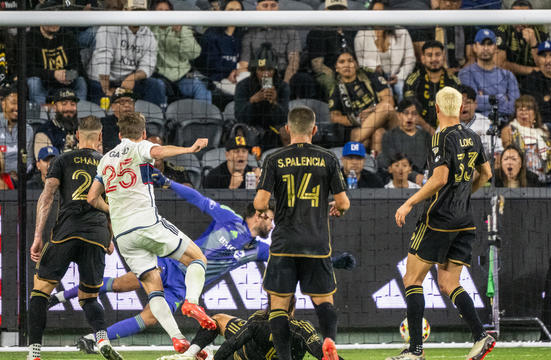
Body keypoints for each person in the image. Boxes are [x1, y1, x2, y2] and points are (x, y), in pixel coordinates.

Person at [63, 175, 274, 353]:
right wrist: (167, 182)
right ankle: (61, 295)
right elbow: (197, 198)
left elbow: (284, 254)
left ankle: (93, 339)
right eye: (270, 220)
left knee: (149, 319)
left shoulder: (258, 249)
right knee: (121, 285)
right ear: (259, 215)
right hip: (171, 264)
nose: (272, 226)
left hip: (183, 288)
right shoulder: (230, 219)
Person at [87, 112, 215, 353]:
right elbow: (157, 152)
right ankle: (192, 303)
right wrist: (189, 149)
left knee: (152, 287)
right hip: (147, 223)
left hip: (123, 236)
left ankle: (177, 338)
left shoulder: (104, 160)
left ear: (120, 134)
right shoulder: (140, 147)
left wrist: (113, 210)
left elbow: (91, 197)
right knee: (197, 258)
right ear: (143, 134)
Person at [391, 86, 494, 360]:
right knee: (448, 283)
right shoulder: (472, 136)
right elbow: (486, 173)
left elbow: (439, 179)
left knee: (412, 279)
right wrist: (464, 194)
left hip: (438, 219)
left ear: (436, 109)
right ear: (461, 109)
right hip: (464, 220)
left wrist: (409, 202)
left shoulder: (440, 137)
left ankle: (415, 351)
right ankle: (480, 336)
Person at [253, 106, 350, 360]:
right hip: (317, 242)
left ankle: (284, 358)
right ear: (314, 130)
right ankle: (328, 341)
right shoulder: (328, 158)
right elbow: (344, 204)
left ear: (287, 130)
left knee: (279, 307)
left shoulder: (274, 159)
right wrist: (336, 208)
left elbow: (260, 203)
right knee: (324, 302)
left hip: (285, 243)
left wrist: (264, 209)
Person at [28, 115, 122, 360]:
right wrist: (109, 237)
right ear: (100, 137)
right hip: (97, 234)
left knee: (40, 291)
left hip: (67, 231)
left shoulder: (62, 159)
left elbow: (47, 198)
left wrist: (38, 236)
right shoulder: (107, 163)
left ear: (77, 136)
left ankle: (34, 353)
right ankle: (101, 339)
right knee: (89, 297)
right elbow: (113, 203)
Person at [157, 296, 349, 360]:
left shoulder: (258, 320)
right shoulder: (302, 329)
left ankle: (190, 354)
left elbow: (231, 344)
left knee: (217, 320)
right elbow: (321, 353)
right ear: (293, 308)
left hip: (243, 354)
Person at [87, 1, 166, 106]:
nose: (137, 15)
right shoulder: (108, 28)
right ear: (125, 10)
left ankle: (154, 120)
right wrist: (106, 90)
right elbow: (104, 60)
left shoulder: (149, 35)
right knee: (105, 109)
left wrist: (132, 78)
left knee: (157, 85)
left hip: (127, 82)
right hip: (101, 80)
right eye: (134, 11)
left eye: (141, 12)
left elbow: (148, 65)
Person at [329, 49, 397, 153]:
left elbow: (389, 100)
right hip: (358, 125)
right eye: (342, 62)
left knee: (386, 107)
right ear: (336, 68)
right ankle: (376, 167)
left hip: (385, 120)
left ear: (356, 63)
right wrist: (356, 119)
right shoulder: (336, 89)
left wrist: (372, 112)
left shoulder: (370, 75)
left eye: (350, 61)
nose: (347, 65)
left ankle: (353, 147)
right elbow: (334, 117)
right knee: (378, 133)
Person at [500, 95, 551, 186]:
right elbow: (508, 155)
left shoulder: (543, 132)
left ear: (535, 113)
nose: (524, 113)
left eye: (528, 109)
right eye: (520, 110)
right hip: (523, 178)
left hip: (544, 178)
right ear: (516, 113)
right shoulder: (509, 130)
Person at [151, 0, 212, 103]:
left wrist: (179, 34)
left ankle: (205, 119)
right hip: (158, 77)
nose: (164, 14)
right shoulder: (149, 29)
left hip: (181, 78)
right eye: (160, 10)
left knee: (200, 88)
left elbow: (193, 53)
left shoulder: (182, 28)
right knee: (158, 87)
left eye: (167, 10)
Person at [354, 0, 415, 101]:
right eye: (374, 12)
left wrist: (400, 76)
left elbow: (410, 59)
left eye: (380, 12)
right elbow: (361, 61)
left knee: (401, 89)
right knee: (385, 94)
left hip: (397, 76)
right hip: (374, 77)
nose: (377, 16)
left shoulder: (402, 33)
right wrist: (374, 68)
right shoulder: (361, 35)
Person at [234, 43, 290, 150]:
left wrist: (274, 104)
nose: (265, 74)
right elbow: (240, 117)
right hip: (251, 126)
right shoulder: (243, 85)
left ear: (275, 70)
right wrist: (252, 101)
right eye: (261, 69)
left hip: (274, 127)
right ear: (255, 70)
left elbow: (283, 118)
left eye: (269, 70)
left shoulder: (282, 86)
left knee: (287, 131)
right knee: (239, 130)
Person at [458, 29, 520, 122]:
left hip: (505, 126)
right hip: (477, 125)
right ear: (474, 47)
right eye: (482, 44)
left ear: (495, 48)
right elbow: (472, 104)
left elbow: (515, 108)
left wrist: (485, 99)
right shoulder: (465, 74)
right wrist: (501, 99)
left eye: (489, 44)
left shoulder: (508, 75)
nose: (486, 48)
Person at [238, 0, 301, 85]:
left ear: (278, 7)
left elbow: (294, 61)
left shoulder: (289, 30)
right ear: (257, 7)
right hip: (258, 75)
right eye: (265, 6)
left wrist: (285, 85)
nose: (269, 9)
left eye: (273, 5)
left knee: (302, 79)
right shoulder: (250, 32)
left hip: (283, 74)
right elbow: (244, 64)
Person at [403, 40, 460, 133]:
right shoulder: (412, 82)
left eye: (438, 55)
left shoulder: (454, 82)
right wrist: (433, 132)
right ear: (423, 58)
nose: (434, 59)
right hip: (420, 129)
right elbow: (412, 112)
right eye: (429, 55)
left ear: (444, 57)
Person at [195, 0, 243, 108]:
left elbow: (246, 61)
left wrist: (237, 70)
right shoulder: (211, 34)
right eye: (230, 10)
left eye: (238, 10)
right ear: (223, 11)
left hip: (240, 74)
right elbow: (212, 64)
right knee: (244, 91)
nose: (234, 13)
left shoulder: (242, 35)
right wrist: (234, 69)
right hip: (218, 79)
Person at [305, 0, 356, 100]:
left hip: (351, 69)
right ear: (326, 10)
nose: (337, 13)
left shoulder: (352, 31)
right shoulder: (318, 32)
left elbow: (357, 59)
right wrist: (339, 76)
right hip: (329, 72)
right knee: (331, 82)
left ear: (346, 10)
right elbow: (317, 65)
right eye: (333, 9)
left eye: (340, 9)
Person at [26, 24, 87, 104]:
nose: (54, 23)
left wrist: (69, 75)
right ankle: (41, 114)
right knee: (34, 82)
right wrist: (54, 74)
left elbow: (78, 66)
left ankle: (80, 114)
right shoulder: (30, 38)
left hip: (65, 82)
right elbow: (28, 70)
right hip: (43, 82)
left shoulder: (68, 36)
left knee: (80, 81)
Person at [408, 0, 474, 72]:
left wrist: (461, 72)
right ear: (438, 1)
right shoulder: (426, 23)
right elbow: (424, 58)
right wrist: (445, 72)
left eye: (454, 1)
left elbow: (471, 59)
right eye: (444, 0)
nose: (448, 4)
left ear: (460, 3)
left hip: (460, 72)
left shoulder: (467, 23)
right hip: (433, 72)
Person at [377, 99, 429, 185]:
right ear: (398, 115)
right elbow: (387, 163)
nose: (409, 117)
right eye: (406, 113)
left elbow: (430, 163)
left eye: (414, 113)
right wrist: (413, 176)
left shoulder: (426, 137)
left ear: (418, 117)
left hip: (423, 181)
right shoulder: (389, 136)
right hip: (396, 182)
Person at [495, 0, 549, 81]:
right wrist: (532, 70)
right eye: (516, 16)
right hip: (509, 76)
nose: (520, 21)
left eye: (524, 16)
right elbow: (499, 64)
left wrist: (534, 44)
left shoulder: (540, 30)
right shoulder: (503, 28)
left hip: (534, 79)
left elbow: (546, 66)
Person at [458, 85, 502, 161]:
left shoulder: (485, 122)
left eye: (468, 102)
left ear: (475, 104)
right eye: (459, 103)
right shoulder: (446, 124)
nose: (464, 106)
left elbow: (498, 152)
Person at [0, 83, 34, 179]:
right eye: (14, 102)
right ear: (3, 103)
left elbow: (29, 161)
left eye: (20, 103)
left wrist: (19, 174)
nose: (17, 107)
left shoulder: (28, 130)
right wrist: (6, 176)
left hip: (21, 180)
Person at [33, 88, 79, 156]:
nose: (68, 108)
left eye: (72, 104)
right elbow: (44, 164)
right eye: (64, 104)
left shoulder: (83, 128)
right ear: (54, 107)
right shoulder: (44, 131)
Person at [101, 87, 136, 154]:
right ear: (113, 106)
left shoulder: (140, 123)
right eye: (122, 102)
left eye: (130, 101)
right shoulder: (103, 124)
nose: (127, 105)